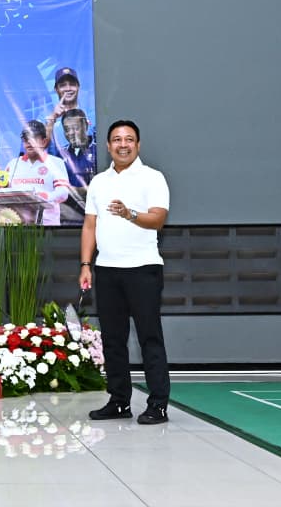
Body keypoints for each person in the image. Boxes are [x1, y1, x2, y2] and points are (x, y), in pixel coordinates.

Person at [80, 119, 171, 425]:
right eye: (116, 139)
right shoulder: (99, 182)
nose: (122, 144)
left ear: (138, 144)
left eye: (129, 139)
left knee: (149, 338)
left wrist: (129, 213)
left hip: (143, 269)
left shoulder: (152, 177)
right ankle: (119, 400)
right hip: (106, 271)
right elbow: (90, 225)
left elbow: (158, 219)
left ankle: (158, 403)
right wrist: (85, 264)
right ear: (108, 146)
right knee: (113, 340)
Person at [0, 120, 71, 226]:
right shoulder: (12, 164)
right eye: (26, 139)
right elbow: (2, 193)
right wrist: (2, 184)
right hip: (18, 226)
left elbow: (63, 193)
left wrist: (41, 198)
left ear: (44, 141)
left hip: (47, 227)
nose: (29, 142)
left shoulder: (56, 163)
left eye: (34, 138)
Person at [56, 108, 97, 222]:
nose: (71, 134)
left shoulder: (98, 151)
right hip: (67, 217)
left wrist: (72, 190)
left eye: (76, 128)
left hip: (94, 216)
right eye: (67, 129)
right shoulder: (60, 155)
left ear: (86, 126)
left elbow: (98, 189)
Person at [44, 67, 93, 154]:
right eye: (63, 85)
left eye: (72, 84)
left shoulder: (90, 113)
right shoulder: (46, 116)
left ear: (78, 87)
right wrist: (53, 117)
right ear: (56, 89)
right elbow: (40, 147)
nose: (68, 88)